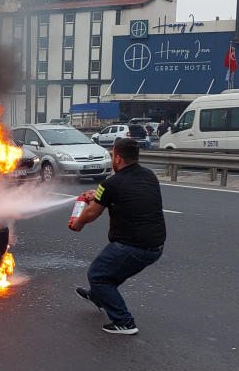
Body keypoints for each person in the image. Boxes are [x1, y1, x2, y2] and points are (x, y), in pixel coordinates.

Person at [69, 138, 166, 335]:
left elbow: (91, 213)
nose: (113, 159)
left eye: (113, 156)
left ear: (118, 158)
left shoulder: (111, 183)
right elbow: (126, 194)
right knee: (110, 272)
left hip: (132, 246)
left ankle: (124, 322)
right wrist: (99, 195)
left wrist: (78, 221)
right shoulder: (149, 176)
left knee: (98, 275)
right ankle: (98, 298)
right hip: (156, 246)